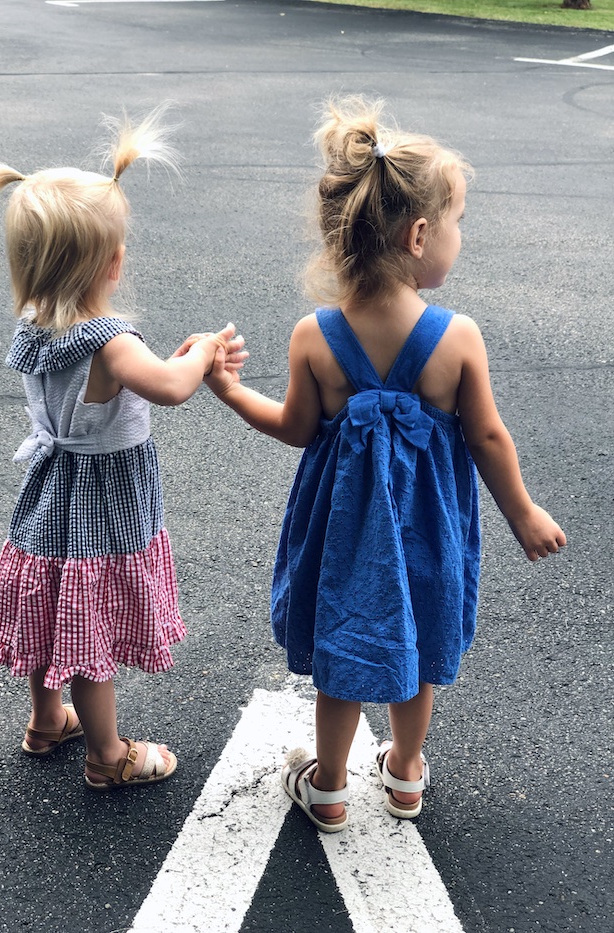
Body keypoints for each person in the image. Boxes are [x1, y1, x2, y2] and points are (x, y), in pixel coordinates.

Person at [204, 97, 566, 829]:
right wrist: (522, 510)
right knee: (419, 636)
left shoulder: (316, 333)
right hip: (425, 528)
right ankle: (404, 773)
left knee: (345, 644)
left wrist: (231, 390)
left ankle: (330, 785)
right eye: (459, 222)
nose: (460, 236)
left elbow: (295, 427)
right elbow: (489, 438)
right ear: (421, 233)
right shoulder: (456, 336)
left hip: (342, 532)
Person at [0, 107, 246, 790]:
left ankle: (47, 718)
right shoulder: (109, 339)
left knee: (55, 601)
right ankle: (108, 755)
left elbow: (128, 386)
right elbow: (171, 388)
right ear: (110, 262)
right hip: (100, 500)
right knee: (86, 626)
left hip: (52, 490)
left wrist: (168, 362)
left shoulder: (36, 326)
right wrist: (203, 351)